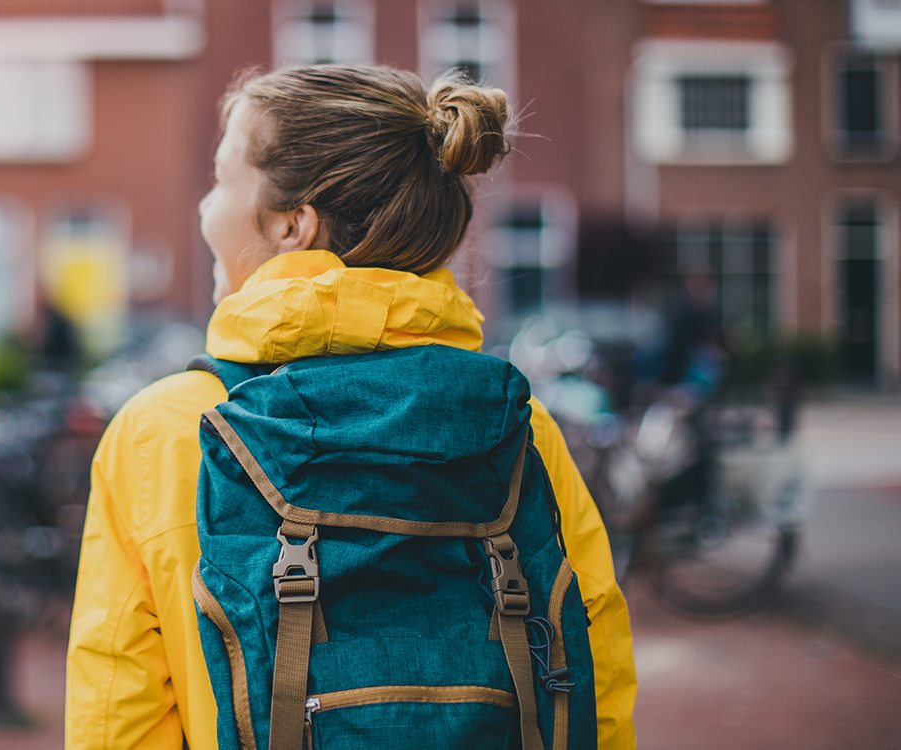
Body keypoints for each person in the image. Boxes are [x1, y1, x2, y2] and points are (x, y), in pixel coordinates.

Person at [65, 64, 637, 750]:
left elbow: (116, 720)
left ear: (291, 226)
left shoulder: (164, 432)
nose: (203, 208)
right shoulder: (520, 428)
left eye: (221, 180)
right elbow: (593, 671)